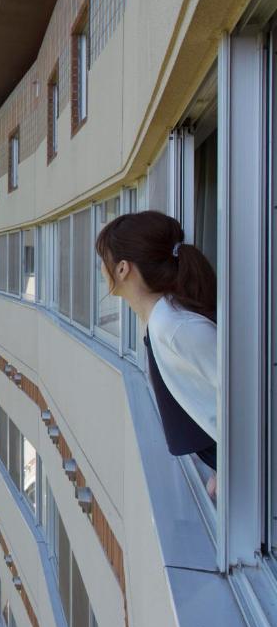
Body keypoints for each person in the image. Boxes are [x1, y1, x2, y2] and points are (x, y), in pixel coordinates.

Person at [95, 211, 218, 497]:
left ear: (123, 269)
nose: (103, 269)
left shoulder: (178, 328)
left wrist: (234, 468)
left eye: (104, 260)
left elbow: (249, 404)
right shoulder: (160, 322)